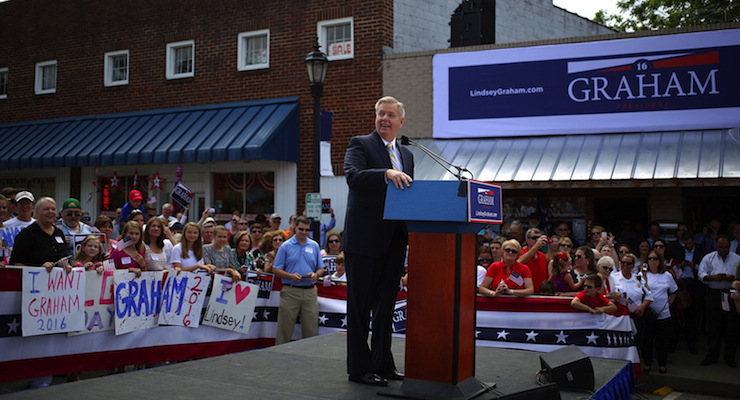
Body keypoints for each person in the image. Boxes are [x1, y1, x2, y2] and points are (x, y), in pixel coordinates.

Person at [343, 96, 414, 386]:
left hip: (394, 242)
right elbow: (353, 176)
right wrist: (386, 173)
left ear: (401, 121)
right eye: (380, 114)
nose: (385, 119)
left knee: (386, 308)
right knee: (360, 308)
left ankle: (383, 363)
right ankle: (359, 368)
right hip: (364, 241)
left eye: (391, 115)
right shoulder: (361, 144)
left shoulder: (407, 154)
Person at [272, 216, 323, 345]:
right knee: (284, 329)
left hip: (310, 292)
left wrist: (315, 275)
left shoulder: (314, 245)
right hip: (290, 291)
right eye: (301, 229)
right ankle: (280, 357)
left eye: (307, 230)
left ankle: (310, 358)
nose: (304, 232)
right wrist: (291, 276)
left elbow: (321, 268)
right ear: (295, 227)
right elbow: (276, 270)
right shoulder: (285, 246)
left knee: (311, 330)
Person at [697, 235, 740, 367]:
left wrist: (732, 279)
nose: (722, 249)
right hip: (714, 294)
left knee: (731, 327)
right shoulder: (709, 258)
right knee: (713, 327)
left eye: (725, 247)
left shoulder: (737, 258)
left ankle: (730, 357)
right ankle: (712, 355)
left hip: (730, 294)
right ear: (716, 246)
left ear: (729, 246)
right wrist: (713, 277)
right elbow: (701, 275)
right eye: (720, 247)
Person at [642, 251, 678, 373]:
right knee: (647, 340)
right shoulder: (642, 275)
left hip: (663, 313)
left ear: (660, 261)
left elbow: (674, 291)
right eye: (650, 258)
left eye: (655, 259)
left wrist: (668, 303)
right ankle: (647, 363)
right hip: (648, 313)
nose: (652, 261)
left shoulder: (667, 275)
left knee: (662, 340)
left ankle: (662, 364)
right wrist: (643, 276)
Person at [9, 197, 68, 270]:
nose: (50, 212)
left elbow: (65, 257)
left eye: (53, 209)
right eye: (46, 209)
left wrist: (67, 265)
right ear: (37, 212)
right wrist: (39, 269)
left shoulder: (59, 233)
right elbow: (16, 264)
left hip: (58, 280)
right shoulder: (27, 234)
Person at [614, 252, 653, 352]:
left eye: (628, 263)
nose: (625, 265)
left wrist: (642, 307)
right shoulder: (614, 278)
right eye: (623, 263)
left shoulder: (638, 278)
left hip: (637, 315)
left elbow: (649, 295)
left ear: (633, 265)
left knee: (638, 342)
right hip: (621, 316)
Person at [676, 230, 707, 354]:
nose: (688, 246)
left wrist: (695, 266)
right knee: (680, 312)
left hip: (695, 284)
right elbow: (672, 267)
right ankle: (677, 340)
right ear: (683, 242)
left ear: (693, 241)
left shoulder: (700, 251)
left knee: (694, 314)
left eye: (690, 243)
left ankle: (692, 342)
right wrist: (681, 265)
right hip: (682, 284)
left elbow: (705, 269)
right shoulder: (678, 251)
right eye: (686, 244)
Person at [517, 228, 548, 293]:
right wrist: (536, 247)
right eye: (534, 238)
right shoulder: (521, 252)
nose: (537, 240)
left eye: (539, 238)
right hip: (525, 293)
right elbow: (518, 263)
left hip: (540, 293)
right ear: (527, 240)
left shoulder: (543, 256)